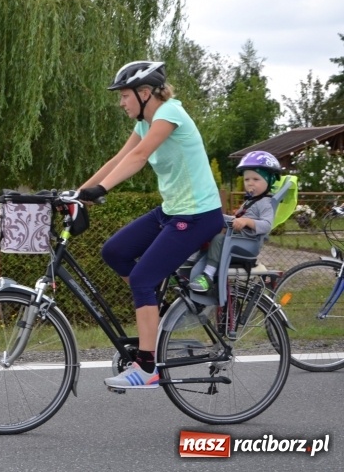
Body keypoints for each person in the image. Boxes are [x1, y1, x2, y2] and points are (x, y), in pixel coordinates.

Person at [69, 60, 224, 390]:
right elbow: (120, 158)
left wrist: (102, 191)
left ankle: (148, 366)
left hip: (197, 215)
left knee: (141, 278)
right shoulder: (145, 123)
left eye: (124, 96)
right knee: (115, 251)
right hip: (173, 211)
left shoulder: (170, 114)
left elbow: (139, 158)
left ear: (145, 93)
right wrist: (79, 193)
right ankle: (156, 309)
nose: (121, 102)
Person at [188, 151, 281, 294]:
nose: (250, 183)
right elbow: (235, 219)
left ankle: (207, 276)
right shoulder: (250, 202)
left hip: (247, 244)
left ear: (269, 180)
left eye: (256, 179)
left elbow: (267, 225)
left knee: (218, 239)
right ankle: (191, 266)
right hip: (238, 240)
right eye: (247, 179)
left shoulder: (265, 203)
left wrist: (246, 221)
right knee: (207, 233)